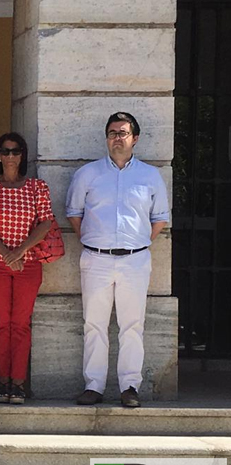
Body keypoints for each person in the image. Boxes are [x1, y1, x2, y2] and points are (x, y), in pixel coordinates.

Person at [66, 112, 169, 408]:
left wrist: (137, 244)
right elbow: (74, 213)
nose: (117, 138)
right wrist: (91, 240)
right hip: (96, 259)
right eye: (112, 133)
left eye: (123, 133)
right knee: (94, 324)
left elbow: (160, 218)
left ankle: (130, 387)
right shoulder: (88, 174)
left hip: (135, 261)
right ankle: (94, 386)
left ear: (134, 138)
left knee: (132, 325)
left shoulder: (149, 176)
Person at [0, 133, 54, 405]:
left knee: (20, 323)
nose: (10, 156)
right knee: (1, 323)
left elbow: (45, 223)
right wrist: (7, 254)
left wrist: (18, 252)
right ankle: (2, 380)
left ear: (23, 155)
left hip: (27, 264)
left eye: (16, 151)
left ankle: (18, 382)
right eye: (5, 151)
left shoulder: (37, 187)